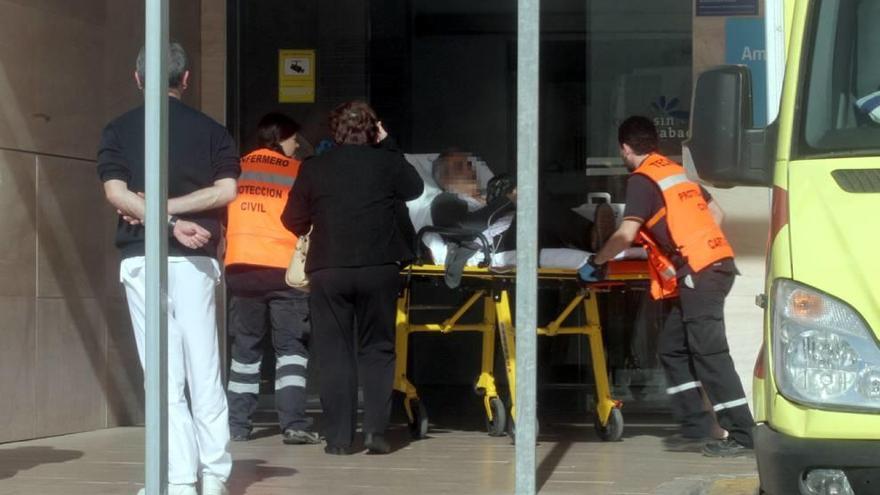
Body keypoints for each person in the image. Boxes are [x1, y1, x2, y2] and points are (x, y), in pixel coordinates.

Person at [97, 43, 238, 495]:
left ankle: (178, 478)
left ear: (138, 79)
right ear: (187, 79)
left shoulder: (118, 129)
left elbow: (117, 194)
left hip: (141, 256)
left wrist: (157, 212)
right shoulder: (212, 130)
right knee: (205, 366)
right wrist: (176, 219)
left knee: (163, 374)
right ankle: (214, 473)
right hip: (195, 261)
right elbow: (226, 190)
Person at [582, 115, 754, 457]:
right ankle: (696, 423)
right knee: (673, 347)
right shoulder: (672, 172)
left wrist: (596, 262)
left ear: (625, 148)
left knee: (710, 355)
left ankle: (744, 434)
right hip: (711, 265)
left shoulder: (642, 179)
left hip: (700, 272)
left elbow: (626, 234)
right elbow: (716, 213)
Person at [281, 101, 423, 455]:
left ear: (336, 131)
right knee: (377, 349)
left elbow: (291, 218)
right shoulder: (388, 163)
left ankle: (340, 440)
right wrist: (388, 144)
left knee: (334, 352)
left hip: (329, 268)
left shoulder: (315, 168)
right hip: (379, 268)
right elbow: (415, 188)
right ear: (374, 130)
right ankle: (375, 432)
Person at [224, 113, 320, 445]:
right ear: (283, 137)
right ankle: (293, 423)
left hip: (241, 270)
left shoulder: (236, 168)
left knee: (245, 349)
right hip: (284, 272)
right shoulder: (297, 171)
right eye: (295, 139)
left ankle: (237, 424)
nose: (297, 147)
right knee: (291, 350)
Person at [429, 149, 615, 253]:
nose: (469, 167)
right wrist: (509, 200)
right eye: (460, 166)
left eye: (468, 163)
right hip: (497, 243)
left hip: (520, 233)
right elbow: (466, 226)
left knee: (539, 201)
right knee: (535, 207)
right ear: (445, 179)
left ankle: (600, 238)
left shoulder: (489, 193)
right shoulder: (444, 201)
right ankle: (593, 236)